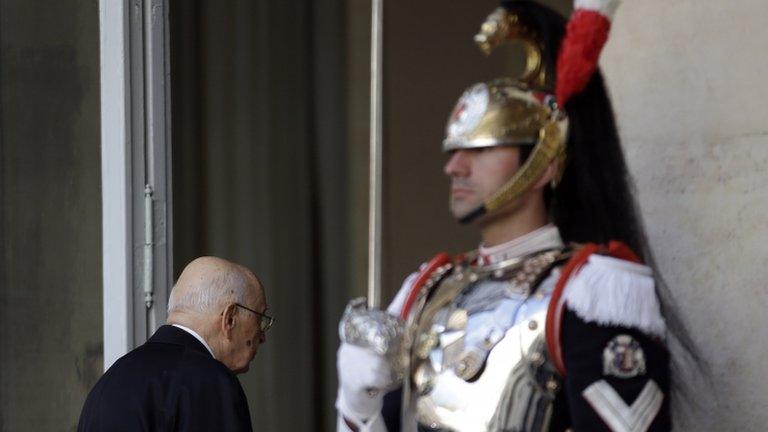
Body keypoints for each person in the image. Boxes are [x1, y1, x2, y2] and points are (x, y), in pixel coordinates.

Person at [336, 1, 682, 431]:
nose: (455, 167)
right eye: (453, 150)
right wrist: (357, 408)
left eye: (481, 150)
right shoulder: (425, 289)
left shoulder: (591, 290)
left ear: (545, 164)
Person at [78, 256, 274, 432]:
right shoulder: (209, 381)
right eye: (260, 320)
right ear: (230, 318)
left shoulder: (109, 382)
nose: (262, 336)